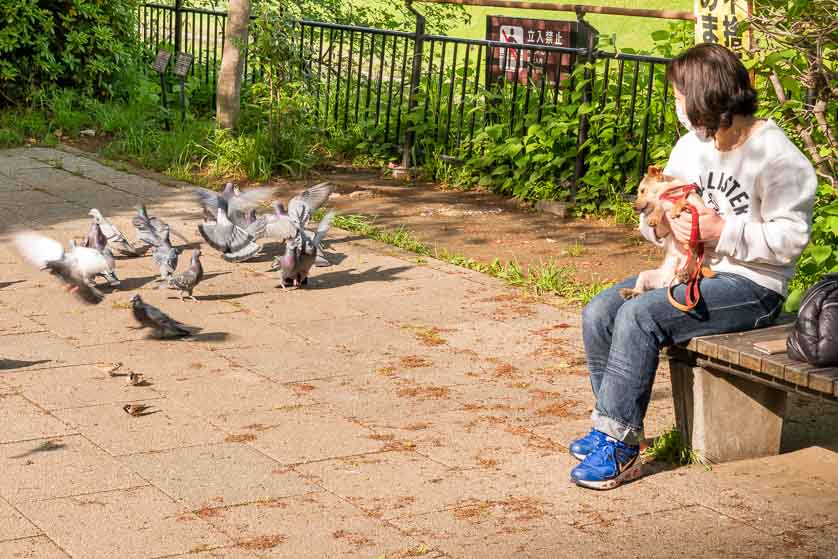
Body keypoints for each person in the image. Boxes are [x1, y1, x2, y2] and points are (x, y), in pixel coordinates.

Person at [569, 43, 818, 490]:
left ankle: (619, 446)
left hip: (752, 284)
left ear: (706, 96)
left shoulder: (779, 158)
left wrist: (721, 231)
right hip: (688, 271)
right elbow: (657, 216)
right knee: (599, 311)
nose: (677, 106)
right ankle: (613, 424)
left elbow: (790, 242)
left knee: (639, 316)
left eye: (680, 96)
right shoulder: (692, 146)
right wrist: (665, 230)